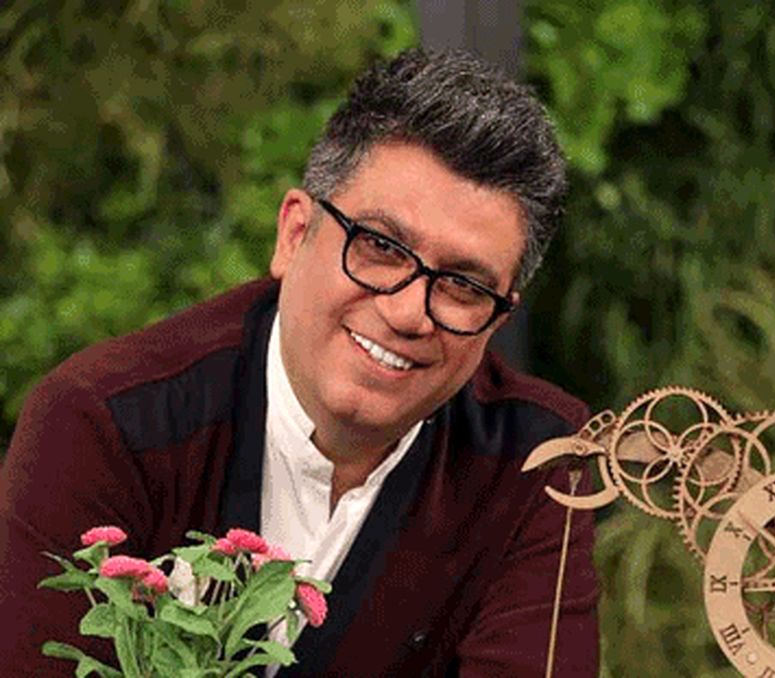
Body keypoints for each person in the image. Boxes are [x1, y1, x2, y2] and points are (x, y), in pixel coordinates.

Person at [0, 49, 598, 676]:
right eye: (380, 247)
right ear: (293, 234)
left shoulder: (539, 464)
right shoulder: (106, 423)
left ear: (498, 320)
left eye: (463, 286)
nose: (408, 313)